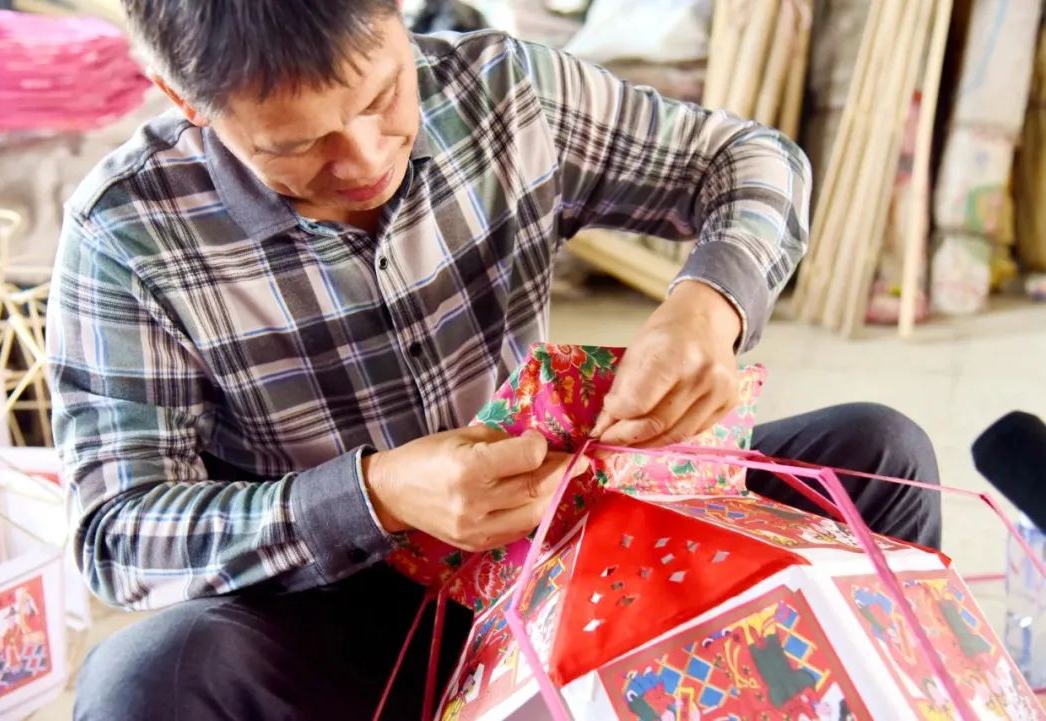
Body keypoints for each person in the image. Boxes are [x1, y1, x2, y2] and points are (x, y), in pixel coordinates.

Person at [47, 2, 941, 719]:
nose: (363, 161)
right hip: (340, 610)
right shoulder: (127, 233)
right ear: (185, 102)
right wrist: (376, 495)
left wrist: (708, 307)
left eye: (381, 96)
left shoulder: (501, 92)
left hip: (570, 546)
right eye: (297, 145)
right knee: (148, 678)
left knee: (878, 455)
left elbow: (748, 160)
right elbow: (118, 534)